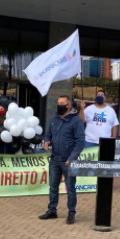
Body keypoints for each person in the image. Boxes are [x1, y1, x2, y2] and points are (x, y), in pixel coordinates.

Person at [39, 95, 85, 225]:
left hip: (68, 161)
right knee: (53, 187)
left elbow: (80, 142)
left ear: (68, 105)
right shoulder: (54, 119)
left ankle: (71, 213)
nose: (59, 105)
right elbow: (48, 134)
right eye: (58, 102)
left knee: (70, 188)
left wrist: (72, 158)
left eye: (61, 103)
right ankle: (52, 210)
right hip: (54, 159)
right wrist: (46, 141)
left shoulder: (76, 121)